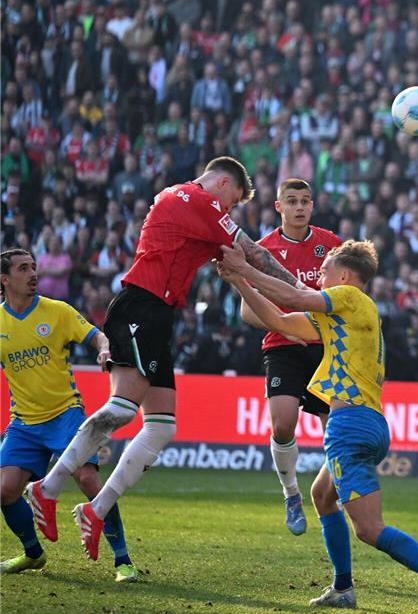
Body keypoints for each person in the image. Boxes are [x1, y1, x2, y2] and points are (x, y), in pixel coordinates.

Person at [26, 157, 303, 560]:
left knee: (160, 427)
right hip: (141, 306)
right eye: (233, 201)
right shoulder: (198, 200)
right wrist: (305, 294)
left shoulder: (180, 201)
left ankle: (95, 509)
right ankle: (46, 488)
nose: (230, 210)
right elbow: (253, 253)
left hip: (157, 314)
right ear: (223, 182)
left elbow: (230, 259)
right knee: (121, 410)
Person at [218, 239, 418, 614]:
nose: (319, 277)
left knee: (369, 529)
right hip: (365, 420)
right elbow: (280, 321)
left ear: (345, 276)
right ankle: (342, 588)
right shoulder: (346, 316)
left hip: (350, 425)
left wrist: (243, 270)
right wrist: (240, 283)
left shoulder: (350, 298)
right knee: (322, 495)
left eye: (324, 271)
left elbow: (292, 296)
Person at [1, 249, 137, 581]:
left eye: (34, 267)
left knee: (89, 480)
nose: (33, 273)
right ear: (4, 280)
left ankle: (123, 561)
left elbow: (96, 335)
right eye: (23, 269)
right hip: (24, 422)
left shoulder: (57, 311)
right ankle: (33, 554)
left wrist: (104, 349)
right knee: (4, 491)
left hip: (66, 415)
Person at [240, 177, 341, 535]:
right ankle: (291, 494)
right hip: (282, 346)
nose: (299, 207)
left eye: (305, 201)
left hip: (325, 347)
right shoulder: (263, 250)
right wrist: (284, 328)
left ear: (312, 206)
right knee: (283, 424)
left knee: (336, 428)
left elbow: (348, 296)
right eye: (292, 201)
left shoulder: (331, 246)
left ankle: (333, 491)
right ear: (279, 207)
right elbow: (248, 310)